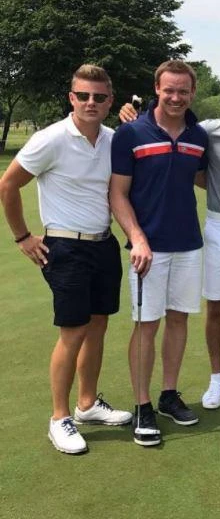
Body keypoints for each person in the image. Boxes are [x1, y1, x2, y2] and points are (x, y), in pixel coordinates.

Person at [119, 72, 220, 408]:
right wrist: (131, 113)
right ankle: (216, 379)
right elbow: (191, 161)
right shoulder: (208, 130)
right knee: (215, 305)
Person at [0, 64, 131, 454]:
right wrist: (22, 237)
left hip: (103, 244)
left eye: (99, 97)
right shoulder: (50, 139)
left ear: (110, 101)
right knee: (73, 331)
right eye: (83, 96)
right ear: (72, 98)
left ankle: (86, 404)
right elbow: (8, 184)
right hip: (66, 247)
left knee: (98, 326)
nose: (91, 103)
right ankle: (59, 418)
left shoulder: (113, 140)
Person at [110, 60, 208, 446]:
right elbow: (117, 194)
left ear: (192, 93)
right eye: (169, 90)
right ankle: (142, 405)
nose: (176, 97)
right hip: (147, 249)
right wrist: (137, 237)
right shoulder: (130, 133)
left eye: (183, 91)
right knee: (146, 325)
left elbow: (202, 178)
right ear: (157, 89)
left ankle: (168, 395)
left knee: (179, 320)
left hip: (188, 243)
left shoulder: (199, 136)